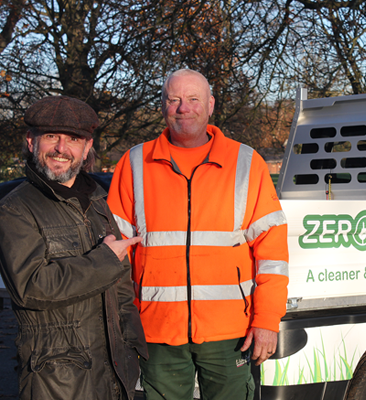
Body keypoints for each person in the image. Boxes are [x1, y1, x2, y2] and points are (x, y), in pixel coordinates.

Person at [107, 69, 289, 400]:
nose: (183, 108)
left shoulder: (246, 162)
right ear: (163, 106)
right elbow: (115, 255)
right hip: (157, 331)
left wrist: (267, 321)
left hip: (231, 333)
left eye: (193, 99)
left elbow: (272, 255)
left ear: (210, 105)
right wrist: (125, 323)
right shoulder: (134, 163)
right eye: (174, 100)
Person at [0, 96, 148, 400]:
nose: (61, 148)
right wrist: (103, 260)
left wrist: (132, 343)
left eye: (73, 139)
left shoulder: (99, 202)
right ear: (31, 142)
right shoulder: (15, 209)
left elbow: (120, 287)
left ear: (86, 147)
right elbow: (31, 287)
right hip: (57, 378)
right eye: (51, 136)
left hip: (114, 372)